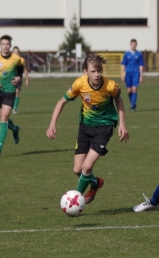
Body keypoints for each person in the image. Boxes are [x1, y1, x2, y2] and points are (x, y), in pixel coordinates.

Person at [46, 53, 129, 204]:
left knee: (87, 166)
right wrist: (52, 124)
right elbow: (61, 102)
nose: (97, 74)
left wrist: (122, 124)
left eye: (99, 71)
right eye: (93, 71)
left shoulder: (110, 86)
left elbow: (119, 101)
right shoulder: (79, 84)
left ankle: (75, 200)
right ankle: (96, 183)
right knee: (77, 169)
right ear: (85, 71)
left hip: (104, 127)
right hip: (85, 127)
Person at [0, 35, 23, 158]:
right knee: (3, 118)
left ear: (10, 45)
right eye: (3, 44)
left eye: (7, 44)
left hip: (10, 91)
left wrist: (18, 78)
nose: (5, 46)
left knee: (4, 117)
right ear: (0, 45)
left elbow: (20, 70)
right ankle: (15, 129)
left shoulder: (16, 58)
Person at [121, 39, 144, 111]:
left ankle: (132, 105)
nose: (134, 46)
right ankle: (133, 103)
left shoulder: (139, 54)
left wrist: (141, 76)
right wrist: (122, 74)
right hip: (128, 73)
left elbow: (141, 65)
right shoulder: (126, 54)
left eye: (135, 44)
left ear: (136, 45)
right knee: (129, 90)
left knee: (134, 89)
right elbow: (123, 65)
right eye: (132, 44)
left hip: (136, 73)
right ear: (130, 45)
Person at [12, 46, 29, 114]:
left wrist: (27, 80)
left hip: (19, 78)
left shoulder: (22, 60)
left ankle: (15, 109)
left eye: (17, 52)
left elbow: (25, 70)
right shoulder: (10, 59)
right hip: (11, 78)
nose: (16, 53)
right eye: (15, 52)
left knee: (17, 93)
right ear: (12, 53)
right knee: (10, 93)